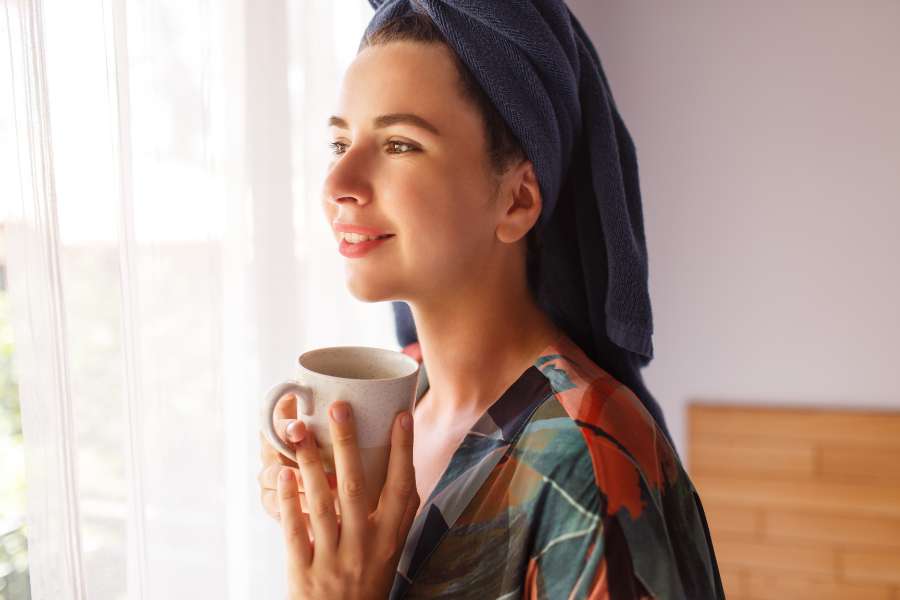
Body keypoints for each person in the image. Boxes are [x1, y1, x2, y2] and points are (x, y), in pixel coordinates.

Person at [257, 2, 724, 598]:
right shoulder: (406, 409)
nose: (338, 184)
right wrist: (331, 546)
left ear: (517, 201)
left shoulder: (585, 466)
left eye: (399, 144)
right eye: (339, 142)